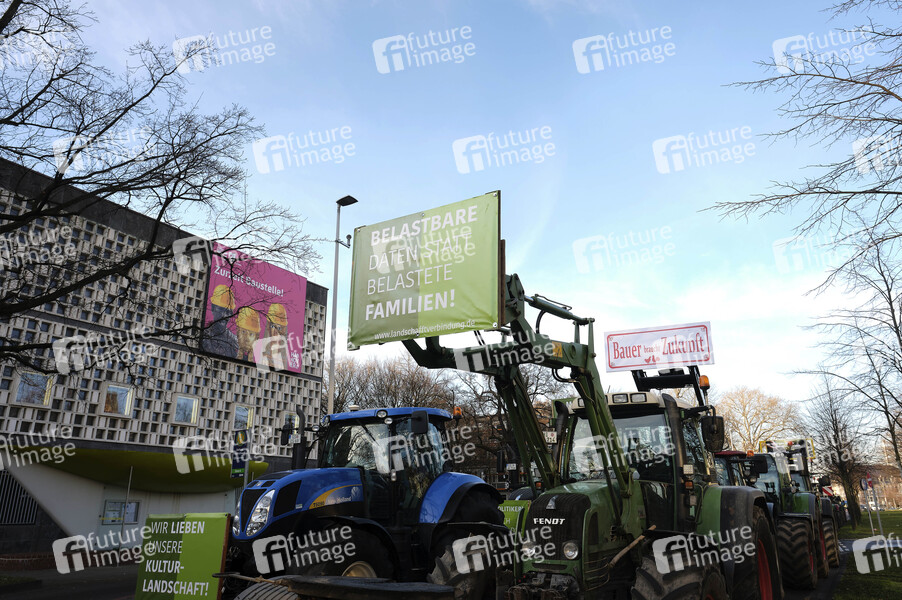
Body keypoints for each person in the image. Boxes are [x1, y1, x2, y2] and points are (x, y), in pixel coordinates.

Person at [202, 284, 238, 357]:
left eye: (228, 312)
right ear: (213, 308)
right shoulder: (203, 335)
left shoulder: (234, 342)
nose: (225, 316)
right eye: (221, 309)